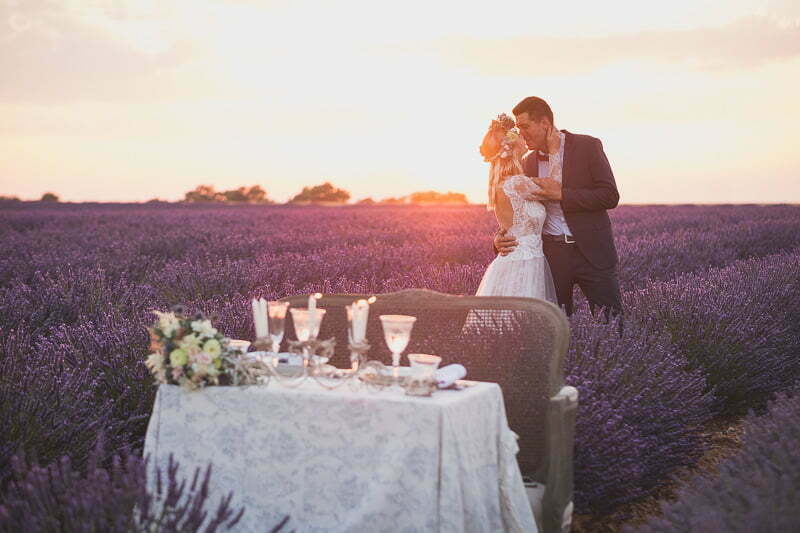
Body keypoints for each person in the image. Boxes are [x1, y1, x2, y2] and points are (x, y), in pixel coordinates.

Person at [494, 96, 622, 316]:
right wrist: (499, 239)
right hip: (551, 256)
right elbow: (516, 209)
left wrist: (563, 195)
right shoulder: (527, 162)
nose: (520, 134)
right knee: (556, 327)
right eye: (517, 128)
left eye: (525, 126)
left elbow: (610, 196)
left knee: (612, 323)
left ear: (545, 123)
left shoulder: (587, 146)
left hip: (592, 253)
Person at [474, 113, 558, 304]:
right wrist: (554, 151)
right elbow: (555, 188)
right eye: (518, 134)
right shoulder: (517, 184)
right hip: (524, 264)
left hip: (520, 261)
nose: (523, 136)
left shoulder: (504, 184)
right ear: (511, 146)